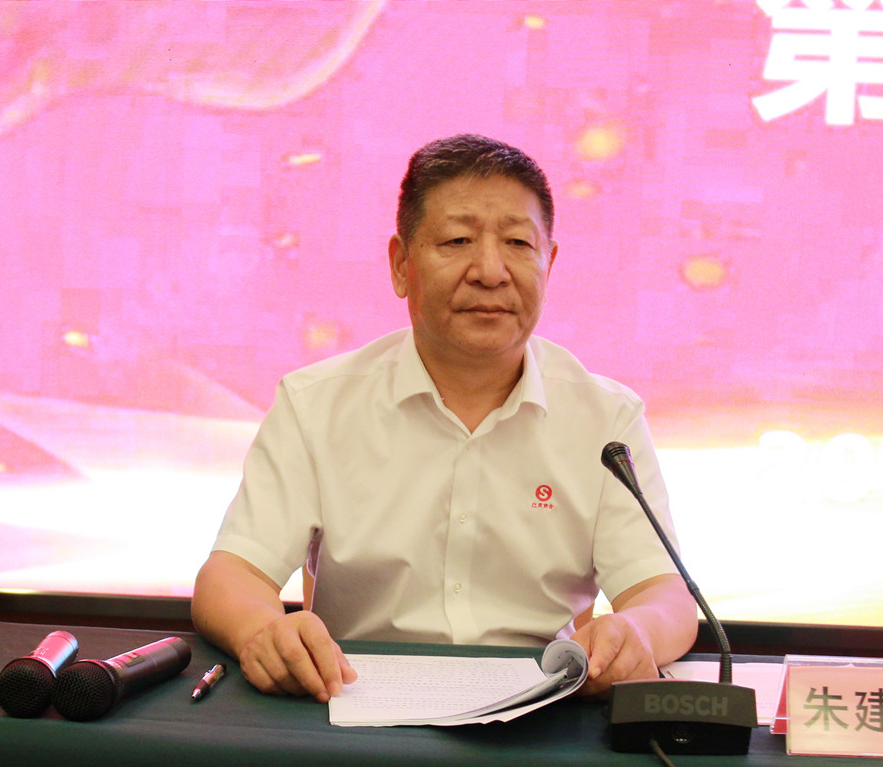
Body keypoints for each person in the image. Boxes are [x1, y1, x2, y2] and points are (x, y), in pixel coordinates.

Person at [192, 134, 698, 702]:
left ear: (549, 263)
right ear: (401, 264)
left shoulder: (605, 418)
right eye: (458, 240)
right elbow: (232, 575)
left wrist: (637, 633)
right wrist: (264, 630)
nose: (491, 271)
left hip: (540, 710)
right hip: (356, 704)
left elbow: (665, 596)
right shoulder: (316, 405)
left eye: (518, 243)